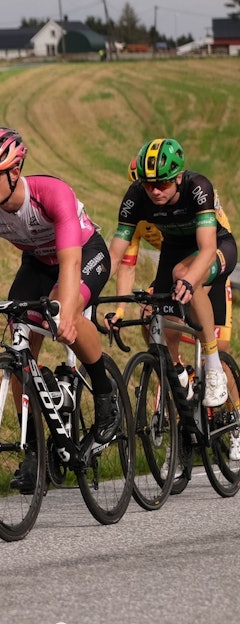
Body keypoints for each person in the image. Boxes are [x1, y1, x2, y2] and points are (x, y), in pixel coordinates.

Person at [0, 125, 119, 493]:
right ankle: (37, 451)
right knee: (20, 343)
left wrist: (68, 311)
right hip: (38, 262)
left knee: (60, 312)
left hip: (85, 254)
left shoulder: (51, 193)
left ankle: (106, 396)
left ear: (14, 171)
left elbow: (71, 263)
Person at [112, 152, 240, 463]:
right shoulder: (139, 208)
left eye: (162, 183)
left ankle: (216, 376)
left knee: (217, 343)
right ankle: (178, 373)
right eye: (146, 185)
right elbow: (121, 260)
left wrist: (190, 282)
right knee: (150, 313)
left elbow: (207, 248)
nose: (154, 191)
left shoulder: (198, 189)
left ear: (178, 178)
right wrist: (112, 307)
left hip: (213, 249)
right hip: (176, 253)